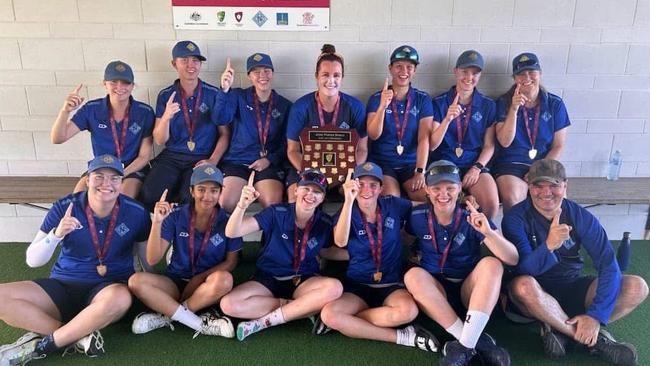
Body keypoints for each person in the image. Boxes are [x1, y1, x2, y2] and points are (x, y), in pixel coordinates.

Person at [0, 154, 151, 365]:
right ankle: (78, 337)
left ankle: (43, 346)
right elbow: (32, 260)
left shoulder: (137, 212)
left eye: (114, 178)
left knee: (120, 298)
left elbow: (147, 260)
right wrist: (56, 235)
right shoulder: (65, 207)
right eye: (99, 176)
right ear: (87, 180)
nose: (106, 183)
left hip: (107, 291)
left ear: (121, 183)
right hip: (63, 285)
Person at [502, 159, 648, 366]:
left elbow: (608, 265)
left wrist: (596, 316)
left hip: (572, 286)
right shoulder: (515, 218)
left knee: (636, 287)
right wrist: (549, 245)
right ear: (529, 186)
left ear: (565, 186)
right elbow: (524, 269)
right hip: (533, 294)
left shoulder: (580, 216)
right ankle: (589, 341)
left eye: (554, 185)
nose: (546, 192)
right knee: (523, 285)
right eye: (538, 185)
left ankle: (560, 329)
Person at [404, 160, 518, 366]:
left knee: (492, 263)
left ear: (459, 190)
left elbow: (512, 258)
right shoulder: (417, 216)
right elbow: (404, 238)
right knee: (412, 275)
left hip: (469, 291)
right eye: (436, 188)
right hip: (436, 292)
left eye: (450, 188)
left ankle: (461, 347)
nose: (443, 194)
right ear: (427, 191)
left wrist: (488, 233)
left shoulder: (472, 216)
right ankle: (474, 343)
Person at [320, 162, 439, 352]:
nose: (367, 190)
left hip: (391, 284)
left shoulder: (391, 204)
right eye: (361, 184)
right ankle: (404, 337)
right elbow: (340, 241)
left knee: (409, 311)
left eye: (373, 185)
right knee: (329, 315)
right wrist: (349, 202)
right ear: (353, 186)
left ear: (381, 188)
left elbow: (421, 206)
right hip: (357, 285)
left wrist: (454, 200)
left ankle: (350, 323)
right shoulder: (346, 211)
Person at [220, 169, 343, 340]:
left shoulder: (324, 222)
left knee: (335, 288)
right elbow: (233, 232)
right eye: (306, 188)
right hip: (268, 278)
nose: (310, 195)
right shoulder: (276, 212)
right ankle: (300, 309)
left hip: (303, 279)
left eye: (317, 191)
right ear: (295, 190)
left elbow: (326, 251)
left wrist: (360, 255)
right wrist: (242, 205)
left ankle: (263, 322)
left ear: (323, 198)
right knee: (229, 305)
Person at [128, 164, 241, 338]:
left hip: (207, 283)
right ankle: (194, 320)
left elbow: (231, 262)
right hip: (175, 282)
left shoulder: (228, 220)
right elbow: (152, 259)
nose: (207, 196)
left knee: (225, 280)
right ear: (192, 191)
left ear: (221, 192)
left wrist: (199, 278)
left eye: (214, 190)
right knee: (136, 281)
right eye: (201, 189)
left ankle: (168, 316)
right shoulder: (175, 215)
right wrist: (157, 222)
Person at [140, 40, 230, 210]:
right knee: (150, 194)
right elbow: (159, 140)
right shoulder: (166, 95)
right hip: (172, 156)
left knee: (189, 198)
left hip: (201, 157)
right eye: (184, 60)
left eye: (195, 60)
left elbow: (225, 134)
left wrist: (213, 160)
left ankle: (184, 231)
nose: (191, 65)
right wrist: (166, 118)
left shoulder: (213, 94)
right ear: (174, 64)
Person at [51, 61, 155, 199]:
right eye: (113, 82)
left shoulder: (144, 112)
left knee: (121, 200)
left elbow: (144, 157)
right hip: (100, 167)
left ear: (132, 85)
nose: (120, 87)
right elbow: (58, 138)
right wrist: (65, 111)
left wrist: (119, 174)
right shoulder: (92, 109)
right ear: (104, 84)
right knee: (78, 200)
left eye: (125, 82)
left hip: (131, 170)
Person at [286, 44, 367, 202]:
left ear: (342, 77)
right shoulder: (301, 107)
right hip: (306, 167)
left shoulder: (355, 107)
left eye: (336, 75)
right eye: (325, 75)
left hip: (345, 170)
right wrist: (307, 172)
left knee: (357, 194)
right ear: (316, 76)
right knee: (295, 199)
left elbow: (362, 149)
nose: (331, 80)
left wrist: (348, 171)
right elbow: (292, 150)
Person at [493, 52, 570, 211]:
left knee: (557, 201)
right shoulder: (504, 102)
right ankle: (519, 236)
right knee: (515, 198)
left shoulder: (555, 103)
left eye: (531, 72)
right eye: (521, 74)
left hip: (544, 165)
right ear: (515, 78)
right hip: (511, 165)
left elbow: (558, 145)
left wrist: (539, 170)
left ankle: (549, 236)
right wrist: (514, 109)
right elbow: (504, 141)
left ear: (540, 73)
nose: (526, 77)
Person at [216, 53, 292, 212]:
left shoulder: (284, 105)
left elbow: (288, 143)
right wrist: (224, 90)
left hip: (267, 164)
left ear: (273, 73)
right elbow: (220, 118)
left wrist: (269, 159)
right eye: (256, 71)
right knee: (225, 203)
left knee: (273, 205)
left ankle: (269, 237)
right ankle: (231, 236)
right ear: (249, 76)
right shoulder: (237, 96)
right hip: (238, 161)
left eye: (266, 70)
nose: (262, 75)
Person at [430, 50, 499, 220]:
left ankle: (479, 238)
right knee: (444, 202)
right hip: (444, 164)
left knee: (491, 203)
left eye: (475, 73)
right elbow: (432, 144)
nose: (469, 77)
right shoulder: (439, 102)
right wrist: (447, 119)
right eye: (464, 72)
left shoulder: (488, 105)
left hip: (473, 164)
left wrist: (477, 168)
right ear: (455, 71)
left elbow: (489, 145)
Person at [366, 45, 433, 201]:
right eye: (399, 66)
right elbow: (373, 135)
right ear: (390, 68)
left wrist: (420, 171)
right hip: (383, 163)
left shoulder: (423, 99)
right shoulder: (377, 98)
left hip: (411, 164)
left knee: (428, 196)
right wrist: (383, 107)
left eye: (409, 67)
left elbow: (424, 138)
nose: (404, 71)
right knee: (391, 199)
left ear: (415, 70)